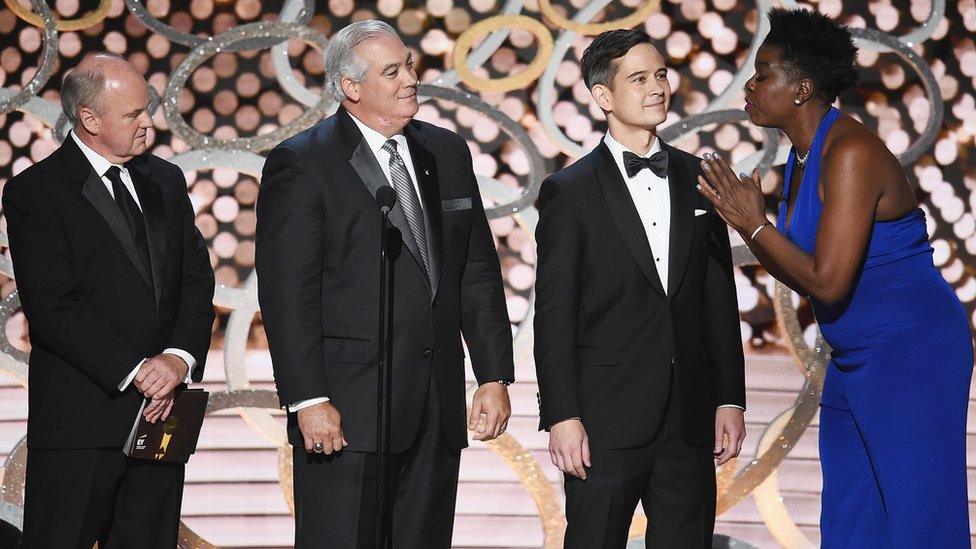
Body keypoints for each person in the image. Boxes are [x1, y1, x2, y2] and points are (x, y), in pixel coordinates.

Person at [698, 8, 973, 548]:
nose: (750, 86)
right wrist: (754, 226)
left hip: (910, 352)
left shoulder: (849, 152)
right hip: (853, 355)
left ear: (802, 89)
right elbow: (804, 274)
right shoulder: (804, 156)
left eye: (763, 74)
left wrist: (754, 225)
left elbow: (827, 283)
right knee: (851, 517)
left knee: (918, 517)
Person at [255, 19, 515, 548]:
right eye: (392, 71)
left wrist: (493, 374)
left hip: (434, 408)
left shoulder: (446, 151)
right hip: (346, 413)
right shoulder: (302, 162)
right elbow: (289, 293)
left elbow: (476, 269)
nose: (410, 80)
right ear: (351, 88)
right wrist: (308, 399)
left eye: (410, 65)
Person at [533, 29, 746, 548]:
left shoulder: (700, 177)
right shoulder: (569, 191)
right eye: (638, 78)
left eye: (661, 75)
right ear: (602, 96)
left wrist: (730, 399)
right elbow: (555, 313)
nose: (657, 88)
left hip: (690, 416)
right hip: (604, 419)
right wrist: (562, 415)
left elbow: (718, 295)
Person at [4, 52, 215, 548]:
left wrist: (177, 359)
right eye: (133, 114)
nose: (148, 123)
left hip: (160, 421)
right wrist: (139, 369)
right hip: (81, 424)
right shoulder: (36, 192)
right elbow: (54, 307)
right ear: (90, 120)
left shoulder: (165, 179)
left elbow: (195, 281)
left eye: (148, 109)